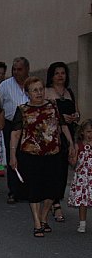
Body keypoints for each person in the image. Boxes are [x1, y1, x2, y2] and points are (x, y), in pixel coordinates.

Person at [9, 76, 75, 237]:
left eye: (40, 89)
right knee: (35, 188)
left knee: (52, 189)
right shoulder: (23, 110)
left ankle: (44, 217)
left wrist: (71, 143)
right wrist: (12, 155)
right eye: (35, 90)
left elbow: (62, 125)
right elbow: (16, 133)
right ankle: (37, 223)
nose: (39, 93)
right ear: (28, 93)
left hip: (53, 154)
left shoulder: (53, 106)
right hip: (31, 155)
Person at [45, 62, 81, 222]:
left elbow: (77, 112)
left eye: (63, 73)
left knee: (63, 170)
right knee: (54, 169)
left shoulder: (69, 92)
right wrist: (60, 119)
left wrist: (74, 116)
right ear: (51, 76)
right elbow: (44, 114)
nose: (60, 76)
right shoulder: (47, 92)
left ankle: (55, 198)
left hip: (69, 133)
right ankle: (55, 203)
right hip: (53, 135)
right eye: (57, 73)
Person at [0, 57, 30, 204]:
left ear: (27, 69)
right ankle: (13, 191)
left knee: (28, 158)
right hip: (11, 125)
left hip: (30, 127)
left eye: (19, 69)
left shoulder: (33, 84)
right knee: (13, 156)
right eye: (14, 69)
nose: (16, 72)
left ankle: (28, 189)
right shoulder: (5, 85)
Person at [68, 120, 92, 233]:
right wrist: (72, 159)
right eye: (88, 131)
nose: (90, 135)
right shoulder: (79, 145)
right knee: (83, 201)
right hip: (83, 177)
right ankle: (82, 223)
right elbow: (74, 161)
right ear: (82, 132)